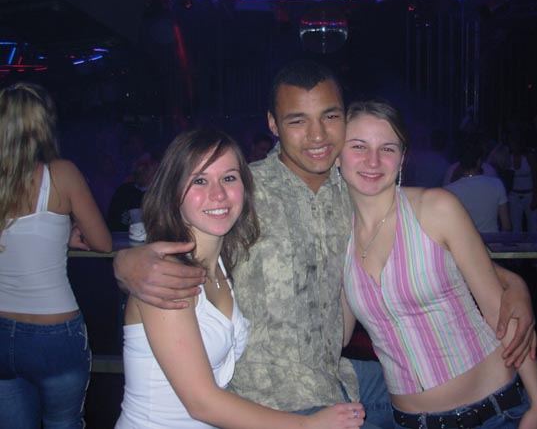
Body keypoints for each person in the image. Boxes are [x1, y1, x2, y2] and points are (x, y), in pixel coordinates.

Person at [113, 60, 537, 428]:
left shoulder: (355, 184)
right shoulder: (242, 190)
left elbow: (431, 247)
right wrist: (125, 263)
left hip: (338, 378)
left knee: (432, 395)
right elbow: (174, 232)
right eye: (298, 121)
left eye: (330, 117)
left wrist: (510, 282)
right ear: (273, 125)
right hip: (268, 400)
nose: (317, 135)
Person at [115, 129, 364, 429]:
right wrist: (308, 425)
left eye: (229, 178)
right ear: (173, 191)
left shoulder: (224, 261)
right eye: (200, 181)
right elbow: (201, 403)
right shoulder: (165, 277)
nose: (218, 194)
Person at [338, 100, 537, 429]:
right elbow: (337, 335)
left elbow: (498, 309)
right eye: (358, 146)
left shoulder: (436, 208)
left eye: (388, 148)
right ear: (337, 155)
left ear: (402, 158)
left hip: (495, 414)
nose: (373, 160)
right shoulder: (339, 240)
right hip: (411, 422)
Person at [0, 82, 113, 428]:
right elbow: (103, 243)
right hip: (53, 333)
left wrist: (54, 237)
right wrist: (60, 235)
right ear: (43, 124)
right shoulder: (61, 173)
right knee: (64, 422)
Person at [445, 142, 511, 233]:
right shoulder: (497, 184)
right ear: (479, 161)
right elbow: (506, 226)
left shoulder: (449, 190)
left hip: (465, 240)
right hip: (492, 240)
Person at [507, 131, 537, 233]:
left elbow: (536, 177)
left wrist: (534, 198)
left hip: (529, 195)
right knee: (515, 228)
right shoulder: (508, 157)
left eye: (513, 143)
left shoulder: (529, 157)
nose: (511, 146)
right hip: (514, 196)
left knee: (534, 228)